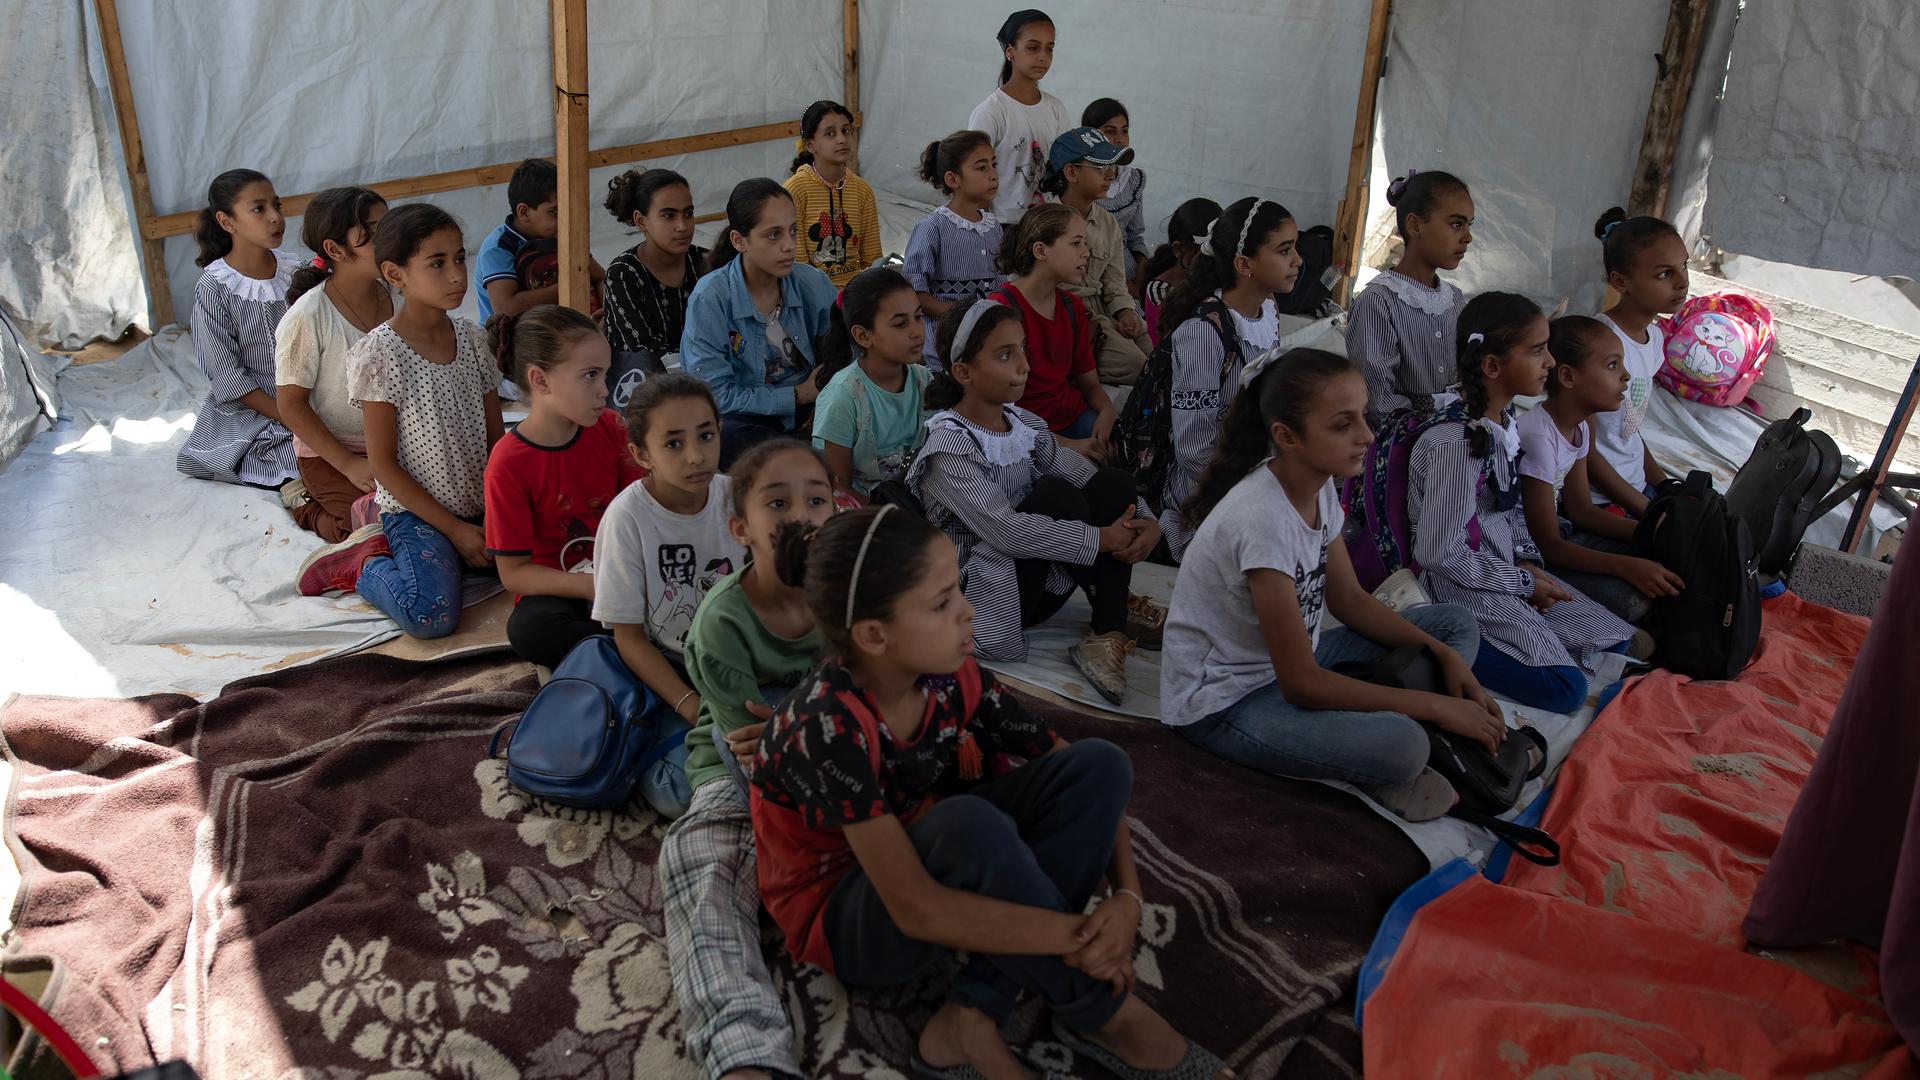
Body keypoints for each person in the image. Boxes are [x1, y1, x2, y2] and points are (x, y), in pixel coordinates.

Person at [750, 506, 1228, 1080]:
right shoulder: (826, 726)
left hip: (923, 851)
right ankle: (1103, 1010)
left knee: (1098, 764)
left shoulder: (950, 676)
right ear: (874, 635)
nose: (968, 611)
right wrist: (1077, 936)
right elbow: (914, 908)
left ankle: (969, 1018)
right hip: (846, 918)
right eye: (942, 602)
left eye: (958, 590)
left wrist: (1126, 899)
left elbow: (1062, 763)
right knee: (967, 825)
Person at [1162, 348, 1502, 820]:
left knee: (1453, 624)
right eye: (1343, 425)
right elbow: (1300, 683)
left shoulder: (1317, 483)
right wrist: (1433, 707)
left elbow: (1349, 600)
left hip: (1292, 664)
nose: (1367, 435)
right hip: (1224, 703)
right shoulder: (1262, 520)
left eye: (1363, 416)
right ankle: (1401, 735)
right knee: (1404, 746)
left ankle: (1402, 717)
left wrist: (1442, 654)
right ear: (1287, 436)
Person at [659, 438, 835, 1080]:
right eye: (779, 502)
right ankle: (744, 1051)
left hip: (838, 754)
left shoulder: (848, 597)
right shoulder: (722, 623)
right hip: (739, 772)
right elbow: (750, 757)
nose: (802, 516)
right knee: (698, 862)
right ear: (741, 529)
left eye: (817, 500)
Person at [906, 301, 1164, 705]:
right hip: (987, 597)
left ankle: (1108, 631)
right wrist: (1100, 540)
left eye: (1022, 348)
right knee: (1057, 496)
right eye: (1006, 354)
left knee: (1111, 482)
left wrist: (1148, 522)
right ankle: (1112, 603)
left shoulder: (1022, 423)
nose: (1024, 365)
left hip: (1039, 579)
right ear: (964, 372)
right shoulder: (948, 448)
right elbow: (1006, 531)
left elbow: (1086, 475)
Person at [1407, 293, 1642, 714]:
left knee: (1614, 637)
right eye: (1537, 351)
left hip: (1502, 569)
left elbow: (1508, 505)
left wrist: (1527, 561)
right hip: (1456, 587)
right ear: (1493, 367)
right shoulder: (1454, 444)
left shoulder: (1503, 422)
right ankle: (1441, 645)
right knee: (1564, 689)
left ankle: (1527, 636)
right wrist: (1522, 584)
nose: (1550, 362)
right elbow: (1438, 553)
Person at [339, 204, 505, 637]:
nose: (456, 274)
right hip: (417, 514)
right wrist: (454, 531)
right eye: (437, 263)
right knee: (430, 616)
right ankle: (366, 562)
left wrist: (498, 511)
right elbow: (383, 465)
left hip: (481, 503)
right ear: (395, 274)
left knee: (545, 562)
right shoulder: (379, 354)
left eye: (459, 258)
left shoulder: (472, 338)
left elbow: (495, 438)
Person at [483, 305, 643, 668]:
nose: (605, 389)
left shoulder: (611, 427)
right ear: (540, 381)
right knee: (531, 630)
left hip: (627, 571)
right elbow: (514, 574)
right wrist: (594, 587)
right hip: (563, 591)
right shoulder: (508, 463)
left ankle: (621, 651)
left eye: (605, 374)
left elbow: (641, 506)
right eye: (590, 375)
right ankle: (636, 650)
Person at [1154, 197, 1302, 562]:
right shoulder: (1203, 332)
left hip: (1257, 471)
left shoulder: (1267, 309)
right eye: (1284, 250)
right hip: (1209, 490)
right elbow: (1193, 449)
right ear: (1243, 264)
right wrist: (1261, 491)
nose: (1298, 260)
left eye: (1294, 248)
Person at [593, 373, 745, 725]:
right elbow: (629, 639)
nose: (696, 456)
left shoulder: (740, 496)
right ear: (641, 454)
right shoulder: (626, 517)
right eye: (674, 444)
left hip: (746, 656)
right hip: (672, 667)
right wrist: (689, 705)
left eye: (706, 436)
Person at [1515, 316, 1685, 625]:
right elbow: (1548, 545)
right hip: (1529, 552)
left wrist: (1654, 531)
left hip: (1567, 530)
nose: (1626, 376)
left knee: (1673, 556)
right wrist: (1625, 566)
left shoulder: (1579, 425)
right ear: (1567, 376)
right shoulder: (1538, 439)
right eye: (1612, 366)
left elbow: (1582, 510)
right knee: (1635, 602)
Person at [681, 179, 837, 468]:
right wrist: (796, 395)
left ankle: (799, 453)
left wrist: (824, 399)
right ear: (739, 241)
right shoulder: (711, 297)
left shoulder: (813, 283)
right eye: (773, 235)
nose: (789, 246)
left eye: (792, 231)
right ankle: (802, 455)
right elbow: (714, 395)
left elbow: (840, 359)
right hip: (749, 419)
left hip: (816, 410)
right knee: (725, 435)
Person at [175, 168, 303, 493]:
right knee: (297, 457)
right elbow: (227, 376)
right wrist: (297, 418)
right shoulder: (215, 287)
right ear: (227, 221)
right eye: (259, 209)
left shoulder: (297, 272)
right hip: (258, 410)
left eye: (277, 205)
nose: (275, 217)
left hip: (308, 398)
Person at [277, 187, 391, 554]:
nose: (389, 240)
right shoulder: (308, 317)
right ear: (336, 251)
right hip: (332, 451)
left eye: (388, 226)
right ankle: (306, 505)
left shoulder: (402, 297)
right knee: (367, 531)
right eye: (371, 234)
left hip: (394, 442)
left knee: (438, 513)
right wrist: (346, 464)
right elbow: (291, 404)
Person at [989, 204, 1116, 461]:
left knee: (1115, 455)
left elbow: (1089, 383)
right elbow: (996, 410)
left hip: (1071, 417)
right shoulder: (1002, 309)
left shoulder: (1073, 308)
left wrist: (1107, 412)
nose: (1086, 253)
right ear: (1040, 251)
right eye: (1076, 243)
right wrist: (1066, 446)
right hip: (1021, 431)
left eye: (1085, 244)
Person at [1348, 169, 1474, 424]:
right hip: (1398, 448)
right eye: (1456, 225)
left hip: (1450, 441)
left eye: (1469, 226)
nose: (1467, 237)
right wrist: (1438, 412)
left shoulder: (1456, 300)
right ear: (1415, 225)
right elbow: (1376, 400)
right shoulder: (1378, 301)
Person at [1589, 207, 1686, 514]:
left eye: (1684, 266)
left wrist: (1662, 484)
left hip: (1635, 486)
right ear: (1620, 282)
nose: (1682, 282)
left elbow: (1627, 429)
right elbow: (1583, 450)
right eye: (1664, 274)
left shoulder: (1654, 339)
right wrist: (1646, 510)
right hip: (1600, 499)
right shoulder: (1599, 343)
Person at [1039, 127, 1149, 385]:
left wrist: (1125, 312)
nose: (1111, 174)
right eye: (1100, 167)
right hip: (1069, 319)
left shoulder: (1108, 222)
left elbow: (1114, 280)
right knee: (1139, 367)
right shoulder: (1044, 221)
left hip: (1104, 312)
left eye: (1112, 166)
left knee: (1155, 353)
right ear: (1070, 172)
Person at [810, 267, 932, 499]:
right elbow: (838, 488)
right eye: (900, 324)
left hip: (919, 500)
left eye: (918, 316)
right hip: (866, 515)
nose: (917, 331)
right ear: (863, 336)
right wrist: (884, 516)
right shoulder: (843, 397)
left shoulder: (923, 380)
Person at [601, 168, 704, 407]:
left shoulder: (706, 263)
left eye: (688, 214)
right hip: (647, 397)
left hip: (710, 385)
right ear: (641, 220)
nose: (682, 226)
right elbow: (643, 352)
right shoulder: (624, 274)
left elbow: (730, 334)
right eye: (669, 216)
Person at [903, 130, 1004, 370]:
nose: (993, 175)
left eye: (993, 165)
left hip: (987, 339)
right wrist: (961, 314)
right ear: (952, 180)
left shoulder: (994, 227)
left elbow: (1001, 282)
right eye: (981, 168)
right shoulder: (932, 228)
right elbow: (915, 293)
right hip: (943, 346)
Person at [968, 9, 1071, 224]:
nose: (1043, 56)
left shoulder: (1055, 108)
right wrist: (986, 230)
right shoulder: (991, 112)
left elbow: (1066, 166)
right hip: (1004, 225)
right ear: (1010, 51)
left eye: (1049, 48)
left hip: (1048, 224)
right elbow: (976, 178)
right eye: (1033, 48)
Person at [475, 157, 605, 321]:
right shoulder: (498, 248)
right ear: (524, 212)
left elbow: (601, 277)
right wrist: (571, 286)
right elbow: (506, 308)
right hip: (511, 341)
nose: (566, 220)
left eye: (568, 210)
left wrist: (607, 313)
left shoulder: (560, 235)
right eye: (555, 212)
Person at [784, 100, 881, 289]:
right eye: (830, 134)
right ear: (810, 145)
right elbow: (798, 265)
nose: (842, 139)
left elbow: (872, 258)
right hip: (811, 292)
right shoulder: (795, 190)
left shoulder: (862, 190)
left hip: (855, 293)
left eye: (846, 131)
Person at [1139, 197, 1220, 348]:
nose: (1212, 262)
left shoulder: (1214, 278)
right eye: (1204, 255)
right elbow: (1180, 344)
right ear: (1178, 250)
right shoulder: (1160, 291)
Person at [1083, 98, 1148, 287]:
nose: (1120, 139)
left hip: (1127, 270)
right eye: (1110, 131)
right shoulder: (1080, 180)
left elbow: (1135, 236)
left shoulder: (1134, 179)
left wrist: (1143, 269)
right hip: (1089, 270)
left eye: (1125, 131)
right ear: (1089, 137)